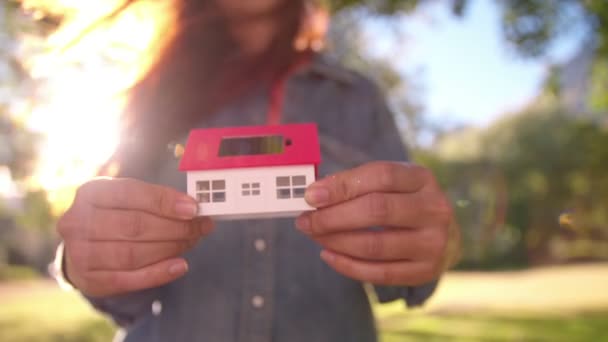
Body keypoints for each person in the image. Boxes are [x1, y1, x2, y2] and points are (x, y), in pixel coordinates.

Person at [53, 0, 461, 341]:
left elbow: (410, 269)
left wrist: (438, 243)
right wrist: (84, 262)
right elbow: (123, 296)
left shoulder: (356, 98)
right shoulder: (153, 97)